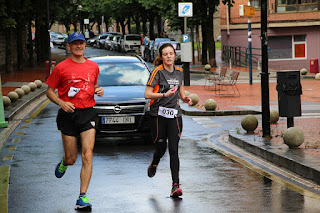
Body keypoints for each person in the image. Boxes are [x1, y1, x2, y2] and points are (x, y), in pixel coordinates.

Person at [46, 32, 104, 211]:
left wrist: (97, 90)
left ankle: (82, 196)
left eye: (81, 43)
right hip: (68, 115)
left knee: (87, 154)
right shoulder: (61, 68)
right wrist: (61, 103)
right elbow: (49, 91)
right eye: (75, 43)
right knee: (72, 158)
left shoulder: (93, 66)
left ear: (85, 45)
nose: (79, 46)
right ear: (69, 47)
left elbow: (92, 85)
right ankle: (64, 162)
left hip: (88, 113)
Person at [144, 43, 192, 197]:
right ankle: (155, 161)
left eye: (171, 53)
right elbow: (147, 94)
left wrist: (185, 98)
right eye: (165, 54)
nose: (169, 56)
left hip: (174, 116)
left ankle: (175, 186)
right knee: (160, 146)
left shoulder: (179, 71)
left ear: (174, 55)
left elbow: (180, 88)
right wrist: (164, 95)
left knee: (174, 150)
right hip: (158, 115)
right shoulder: (157, 72)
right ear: (162, 57)